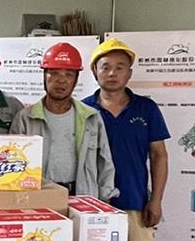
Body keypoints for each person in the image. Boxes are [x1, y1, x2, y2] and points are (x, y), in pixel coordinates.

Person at [83, 37, 169, 241]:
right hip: (92, 206)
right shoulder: (83, 110)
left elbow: (159, 156)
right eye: (105, 67)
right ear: (95, 72)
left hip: (134, 203)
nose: (112, 73)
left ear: (129, 73)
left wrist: (156, 201)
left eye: (119, 67)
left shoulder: (146, 109)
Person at [11, 41, 118, 200]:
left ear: (76, 79)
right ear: (44, 75)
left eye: (69, 74)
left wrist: (105, 200)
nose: (61, 80)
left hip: (81, 198)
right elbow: (12, 165)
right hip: (38, 198)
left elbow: (105, 162)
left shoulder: (91, 117)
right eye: (54, 73)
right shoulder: (25, 118)